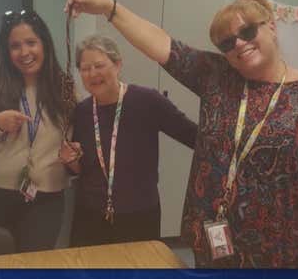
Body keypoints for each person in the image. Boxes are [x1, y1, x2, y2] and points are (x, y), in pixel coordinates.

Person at [64, 0, 298, 268]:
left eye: (247, 32)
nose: (239, 44)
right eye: (227, 43)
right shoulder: (217, 77)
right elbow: (162, 44)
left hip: (283, 253)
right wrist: (109, 8)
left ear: (271, 27)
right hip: (214, 244)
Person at [59, 35, 197, 247]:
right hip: (90, 215)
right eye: (85, 68)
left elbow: (193, 136)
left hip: (139, 214)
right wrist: (70, 160)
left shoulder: (147, 101)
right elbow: (80, 169)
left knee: (139, 276)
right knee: (90, 277)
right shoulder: (82, 111)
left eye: (99, 65)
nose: (92, 74)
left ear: (117, 65)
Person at [0, 10, 76, 253]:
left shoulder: (64, 87)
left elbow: (74, 140)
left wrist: (75, 155)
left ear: (44, 44)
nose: (24, 52)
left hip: (45, 199)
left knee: (32, 272)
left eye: (31, 43)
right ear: (7, 52)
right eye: (15, 46)